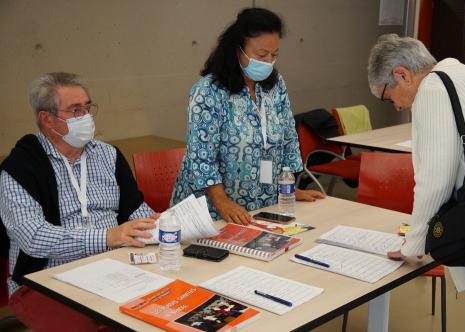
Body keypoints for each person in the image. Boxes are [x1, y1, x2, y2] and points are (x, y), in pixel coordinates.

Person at [0, 72, 158, 331]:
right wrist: (107, 237)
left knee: (164, 311)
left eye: (87, 107)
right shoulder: (20, 167)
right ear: (47, 118)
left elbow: (134, 208)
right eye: (75, 110)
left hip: (115, 267)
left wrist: (158, 222)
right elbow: (33, 238)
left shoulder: (108, 155)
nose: (85, 117)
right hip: (44, 279)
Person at [368, 34, 465, 332]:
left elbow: (434, 178)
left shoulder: (432, 90)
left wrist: (414, 244)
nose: (396, 106)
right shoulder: (464, 74)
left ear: (402, 74)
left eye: (388, 96)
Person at [171, 8, 324, 224]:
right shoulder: (209, 91)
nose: (268, 61)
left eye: (274, 55)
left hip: (262, 205)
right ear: (237, 49)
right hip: (211, 211)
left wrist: (288, 187)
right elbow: (201, 156)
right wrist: (222, 202)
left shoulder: (275, 85)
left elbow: (289, 135)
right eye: (261, 55)